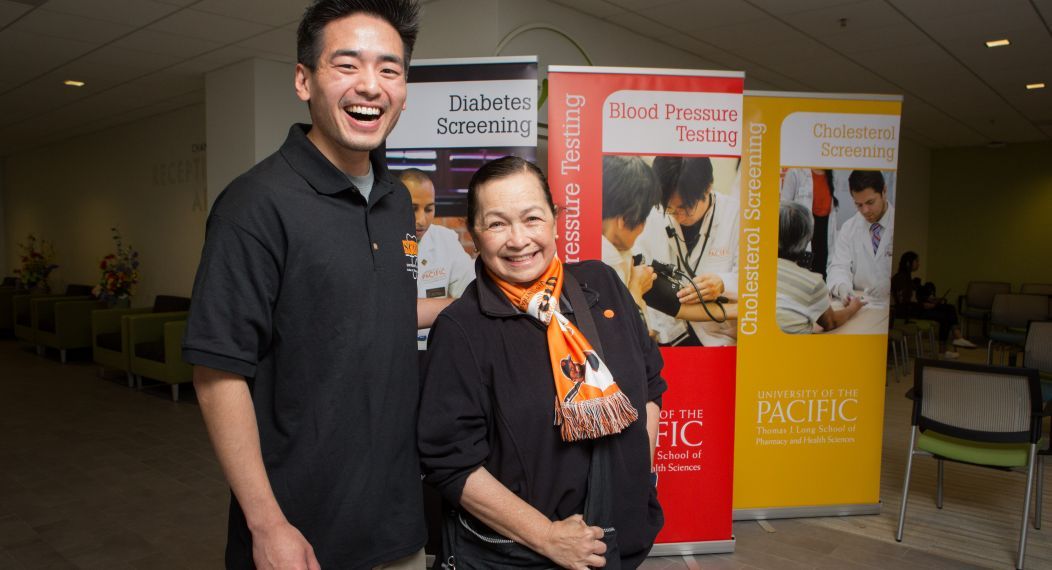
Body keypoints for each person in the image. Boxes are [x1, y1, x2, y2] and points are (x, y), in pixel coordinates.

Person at [182, 1, 441, 568]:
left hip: (399, 525)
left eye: (390, 69)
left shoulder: (397, 201)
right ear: (304, 80)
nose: (370, 86)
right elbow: (218, 374)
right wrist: (266, 524)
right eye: (346, 65)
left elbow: (364, 315)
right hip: (299, 536)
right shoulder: (255, 206)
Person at [418, 156, 665, 568]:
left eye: (532, 218)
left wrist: (637, 471)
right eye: (497, 224)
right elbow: (450, 462)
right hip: (525, 557)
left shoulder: (601, 285)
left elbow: (650, 381)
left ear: (554, 220)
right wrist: (548, 537)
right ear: (474, 235)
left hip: (622, 546)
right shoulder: (462, 329)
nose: (518, 240)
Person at [634, 156, 739, 346]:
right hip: (667, 336)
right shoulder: (652, 216)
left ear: (708, 188)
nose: (678, 216)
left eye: (686, 208)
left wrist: (724, 283)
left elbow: (756, 283)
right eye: (670, 208)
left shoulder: (738, 217)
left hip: (719, 338)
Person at [400, 168, 475, 349]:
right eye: (413, 209)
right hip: (394, 351)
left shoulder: (446, 240)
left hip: (436, 348)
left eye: (429, 209)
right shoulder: (379, 241)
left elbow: (470, 295)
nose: (422, 220)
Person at [776, 203, 863, 334]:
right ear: (808, 237)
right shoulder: (812, 283)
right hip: (793, 351)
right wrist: (853, 308)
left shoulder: (754, 271)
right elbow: (831, 322)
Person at [827, 170, 895, 307]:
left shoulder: (901, 223)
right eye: (859, 204)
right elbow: (839, 266)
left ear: (884, 191)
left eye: (870, 202)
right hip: (860, 305)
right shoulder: (849, 228)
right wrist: (842, 286)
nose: (865, 211)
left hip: (891, 309)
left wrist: (891, 283)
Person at [601, 155, 659, 312]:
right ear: (625, 219)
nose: (643, 227)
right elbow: (622, 333)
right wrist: (636, 289)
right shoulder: (602, 269)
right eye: (643, 219)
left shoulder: (618, 250)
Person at [891, 250, 976, 357]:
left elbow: (914, 297)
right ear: (908, 263)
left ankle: (957, 336)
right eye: (916, 261)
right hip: (909, 312)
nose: (918, 264)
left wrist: (930, 300)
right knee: (944, 316)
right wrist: (923, 305)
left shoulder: (907, 277)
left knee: (949, 308)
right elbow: (903, 302)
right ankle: (945, 348)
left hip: (916, 308)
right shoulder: (900, 278)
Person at [780, 168, 837, 278]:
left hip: (824, 239)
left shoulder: (833, 174)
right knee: (800, 280)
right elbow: (783, 209)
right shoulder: (795, 172)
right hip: (800, 239)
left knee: (821, 278)